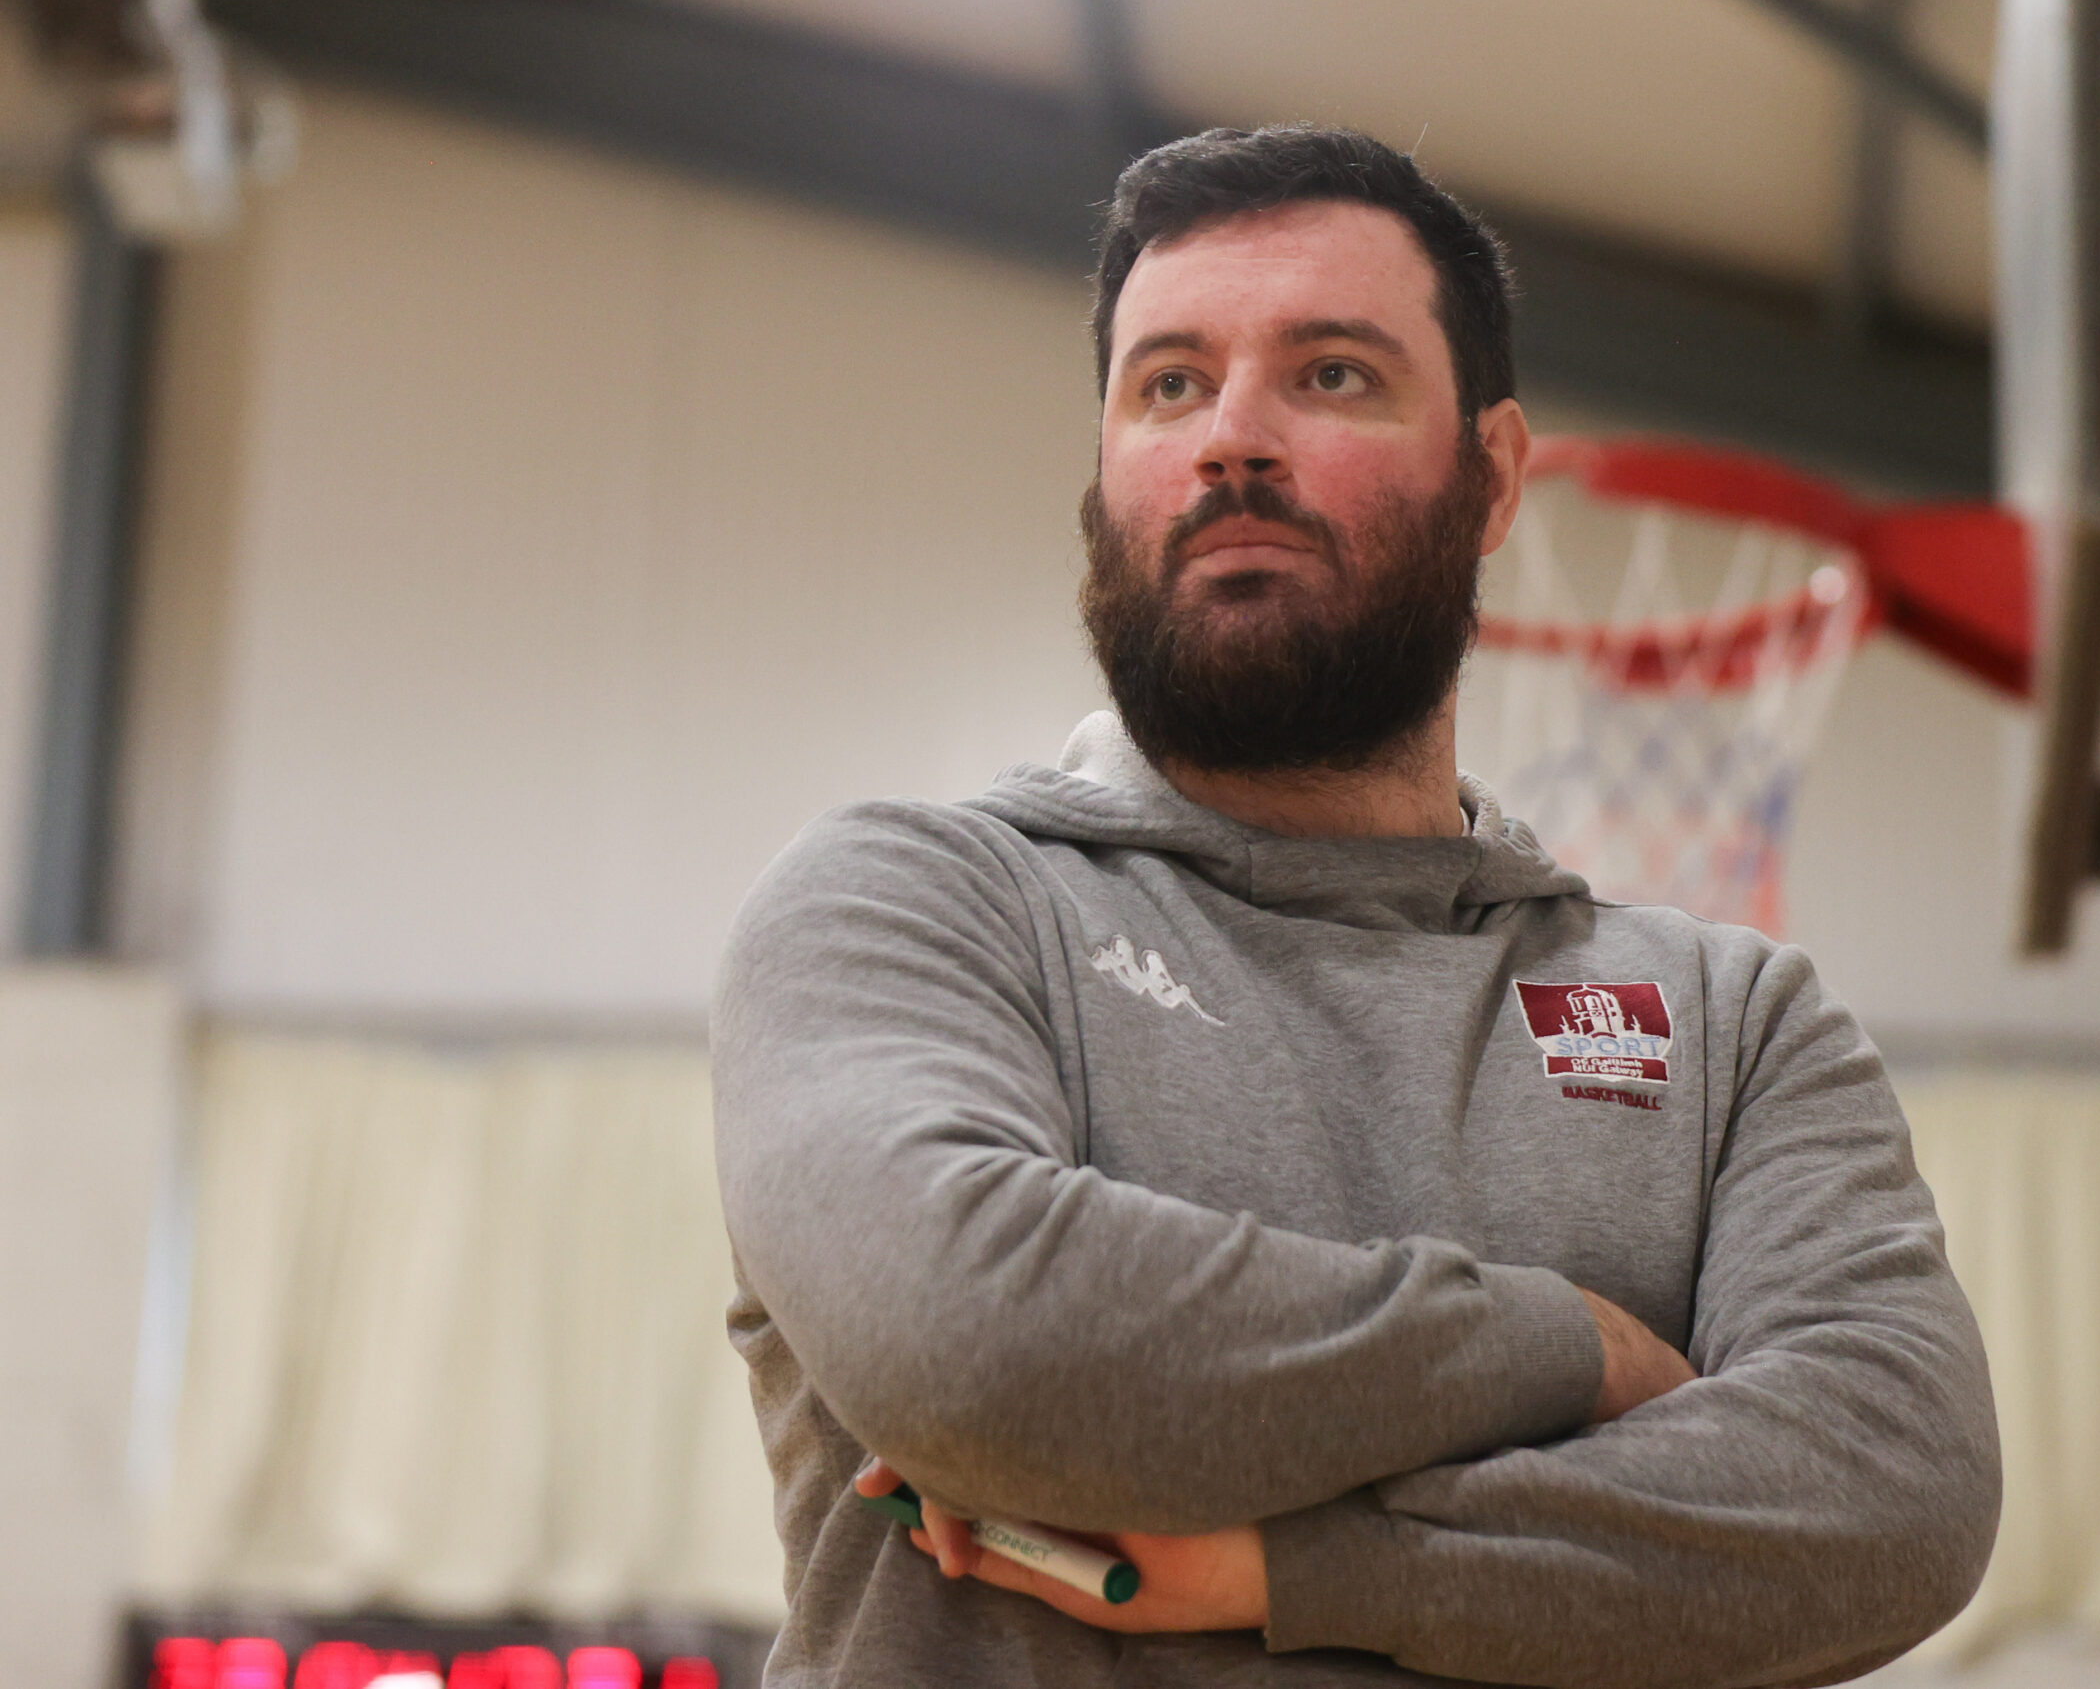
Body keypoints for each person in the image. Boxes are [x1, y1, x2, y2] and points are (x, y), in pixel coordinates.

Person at [712, 124, 2000, 1689]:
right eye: (1169, 383)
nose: (1231, 439)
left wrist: (1297, 1567)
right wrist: (1570, 1348)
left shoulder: (1731, 1024)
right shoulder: (915, 902)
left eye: (1331, 374)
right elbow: (973, 1336)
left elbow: (1890, 1490)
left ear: (1496, 474)